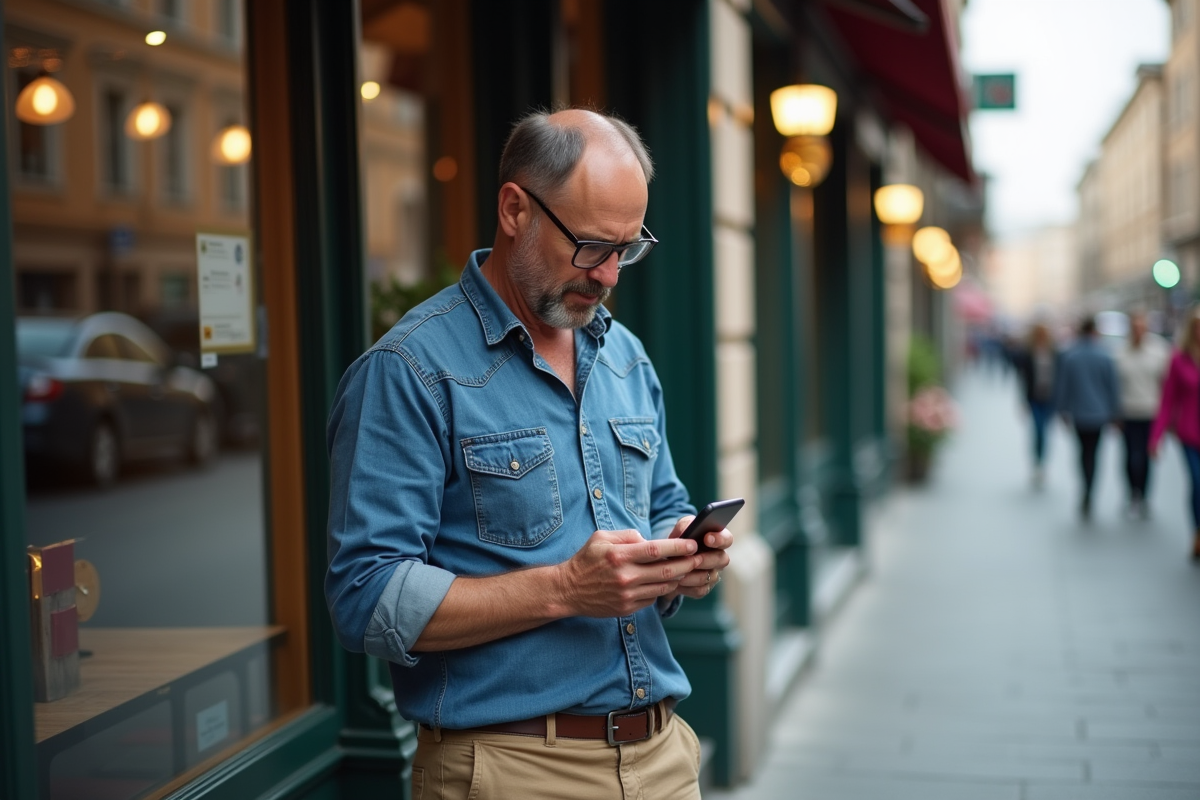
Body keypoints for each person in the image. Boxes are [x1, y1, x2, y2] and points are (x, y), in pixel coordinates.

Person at [325, 108, 732, 799]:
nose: (608, 277)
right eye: (592, 246)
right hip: (510, 771)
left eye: (627, 250)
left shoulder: (625, 357)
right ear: (515, 208)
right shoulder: (409, 369)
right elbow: (364, 599)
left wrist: (680, 559)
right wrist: (567, 589)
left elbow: (665, 505)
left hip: (664, 759)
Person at [1055, 316, 1120, 520]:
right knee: (1094, 453)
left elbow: (1063, 385)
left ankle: (1085, 487)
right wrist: (1115, 412)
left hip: (1079, 414)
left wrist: (1062, 410)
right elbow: (1112, 387)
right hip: (1099, 414)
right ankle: (1090, 489)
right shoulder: (1105, 355)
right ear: (1094, 331)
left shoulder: (1071, 356)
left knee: (1083, 452)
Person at [1150, 308, 1200, 561]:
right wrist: (1156, 438)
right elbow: (1167, 401)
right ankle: (1197, 533)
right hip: (1190, 434)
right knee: (1197, 483)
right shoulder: (1179, 359)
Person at [1114, 311, 1170, 518]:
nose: (1138, 331)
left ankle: (1144, 495)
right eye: (1134, 327)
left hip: (1150, 412)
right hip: (1128, 412)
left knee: (1146, 456)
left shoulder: (1158, 351)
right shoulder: (1120, 353)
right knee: (1129, 457)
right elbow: (1116, 386)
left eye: (1141, 327)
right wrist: (1115, 414)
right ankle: (1132, 494)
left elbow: (1166, 385)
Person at [1013, 323, 1058, 488]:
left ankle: (1042, 463)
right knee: (1038, 430)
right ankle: (1037, 463)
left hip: (1049, 398)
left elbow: (1059, 376)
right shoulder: (1028, 353)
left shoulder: (1054, 352)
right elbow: (1023, 379)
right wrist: (1022, 401)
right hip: (1034, 398)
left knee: (1045, 431)